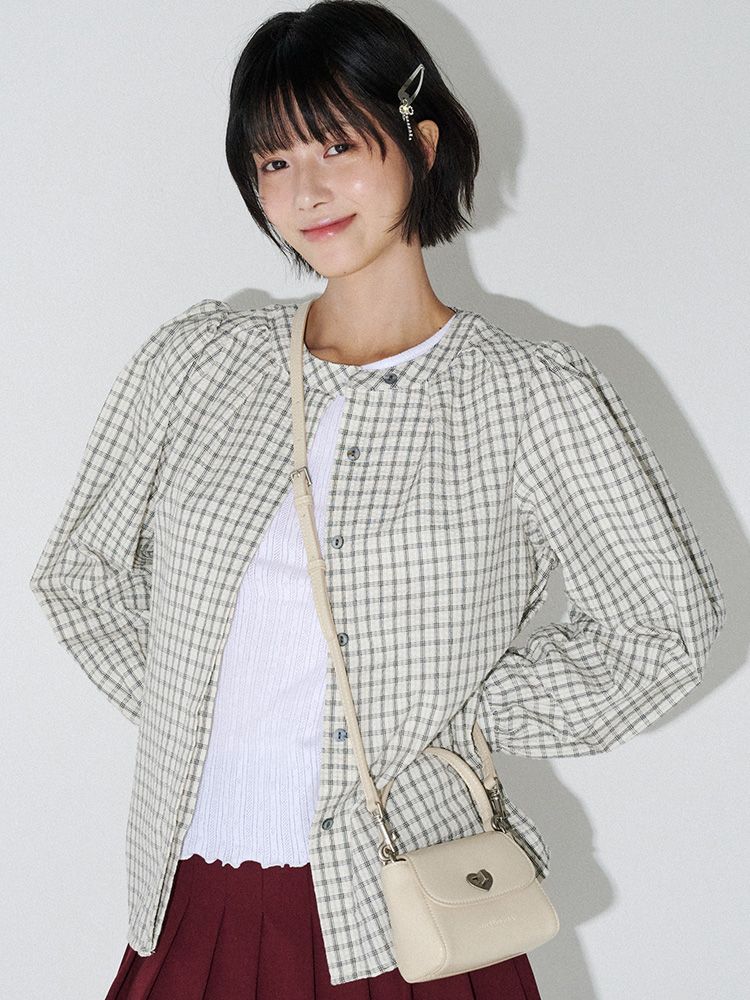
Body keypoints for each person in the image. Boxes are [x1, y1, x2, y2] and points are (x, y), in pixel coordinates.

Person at [28, 1, 726, 997]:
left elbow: (665, 630)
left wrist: (459, 713)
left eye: (337, 146)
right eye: (274, 161)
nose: (306, 190)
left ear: (421, 146)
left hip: (406, 917)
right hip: (194, 896)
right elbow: (81, 574)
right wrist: (200, 705)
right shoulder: (198, 364)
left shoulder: (531, 396)